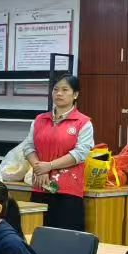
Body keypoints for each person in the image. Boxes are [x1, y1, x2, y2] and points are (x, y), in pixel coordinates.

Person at [23, 75, 94, 231]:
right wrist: (39, 168)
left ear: (75, 94)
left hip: (67, 191)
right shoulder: (39, 119)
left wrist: (49, 166)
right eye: (55, 89)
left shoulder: (83, 122)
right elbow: (28, 147)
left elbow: (80, 154)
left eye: (65, 90)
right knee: (36, 234)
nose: (59, 93)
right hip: (40, 186)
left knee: (65, 237)